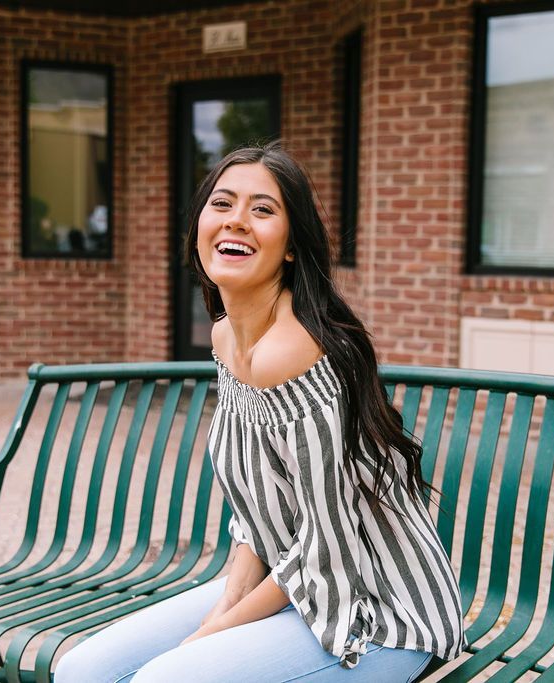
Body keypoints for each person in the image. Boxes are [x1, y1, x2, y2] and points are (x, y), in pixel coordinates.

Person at [54, 142, 466, 682]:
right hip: (295, 587)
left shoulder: (295, 351)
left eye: (263, 210)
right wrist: (224, 611)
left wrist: (210, 635)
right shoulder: (227, 337)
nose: (237, 222)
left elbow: (328, 547)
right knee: (84, 670)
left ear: (292, 246)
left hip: (381, 615)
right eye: (222, 204)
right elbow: (259, 510)